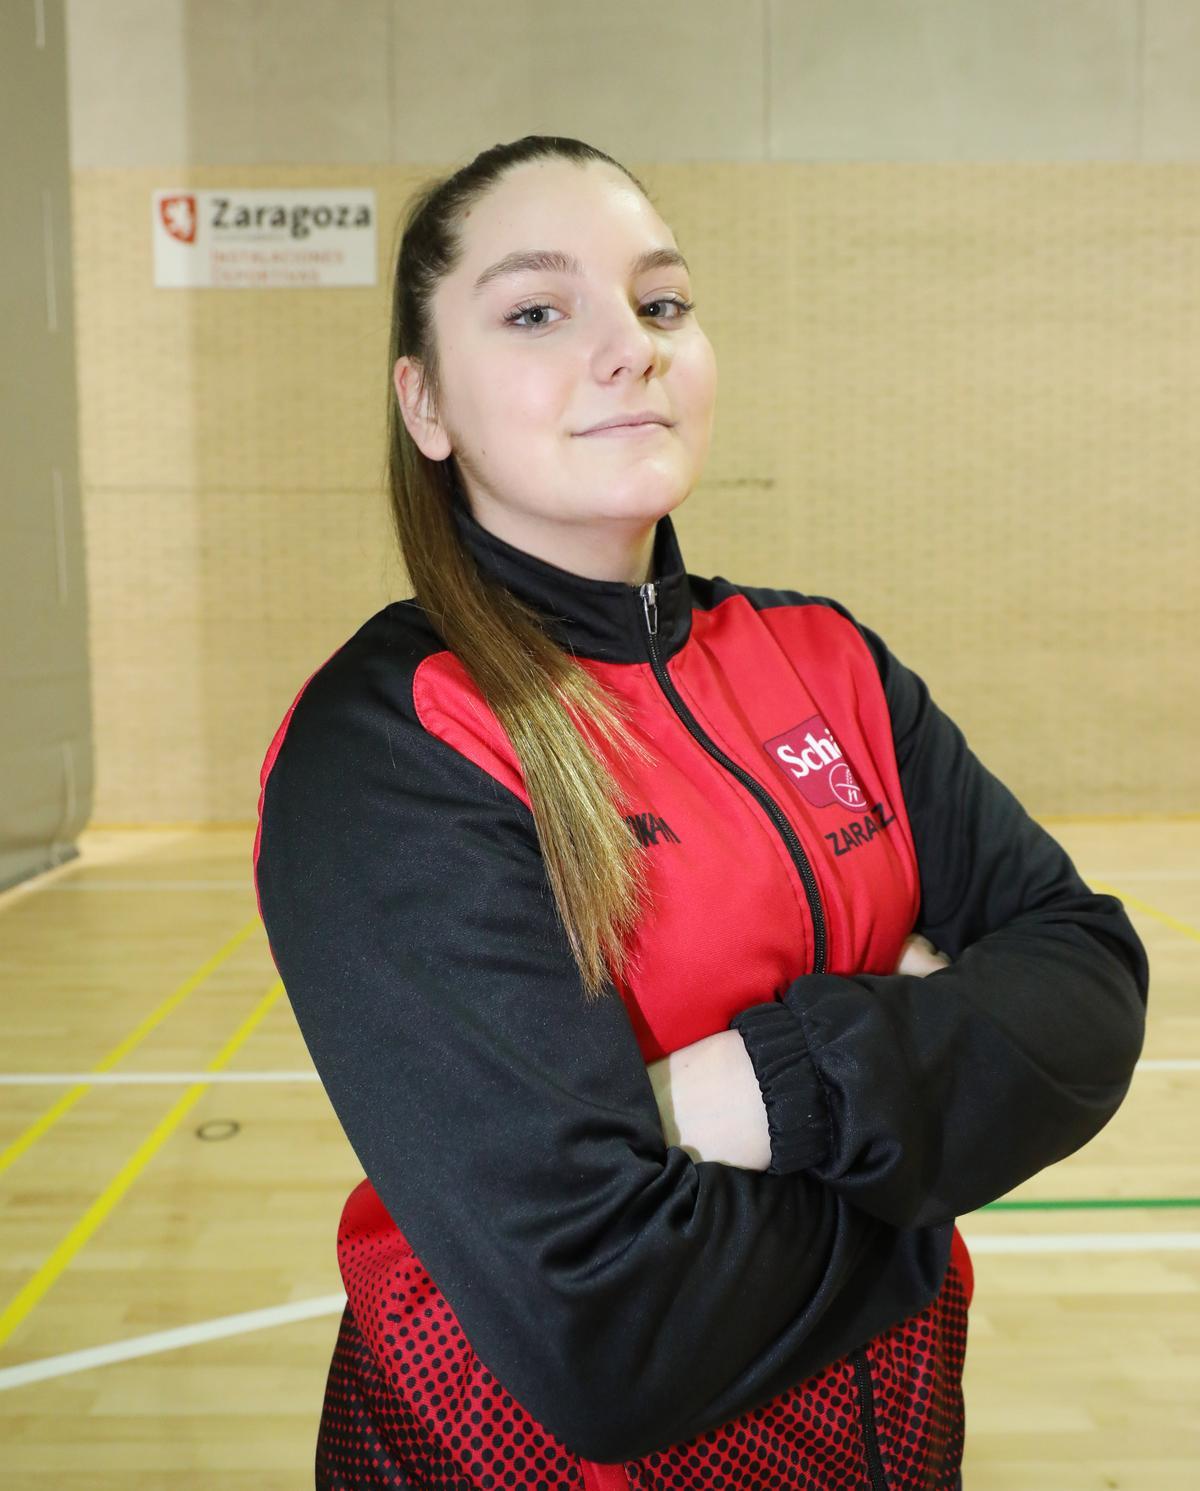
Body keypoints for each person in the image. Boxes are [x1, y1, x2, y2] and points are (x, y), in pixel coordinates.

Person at [251, 135, 1149, 1491]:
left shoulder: (823, 660)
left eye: (661, 303)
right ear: (425, 402)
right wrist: (930, 1146)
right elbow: (605, 1332)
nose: (632, 349)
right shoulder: (391, 743)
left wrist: (763, 1089)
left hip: (884, 1439)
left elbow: (1090, 984)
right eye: (539, 310)